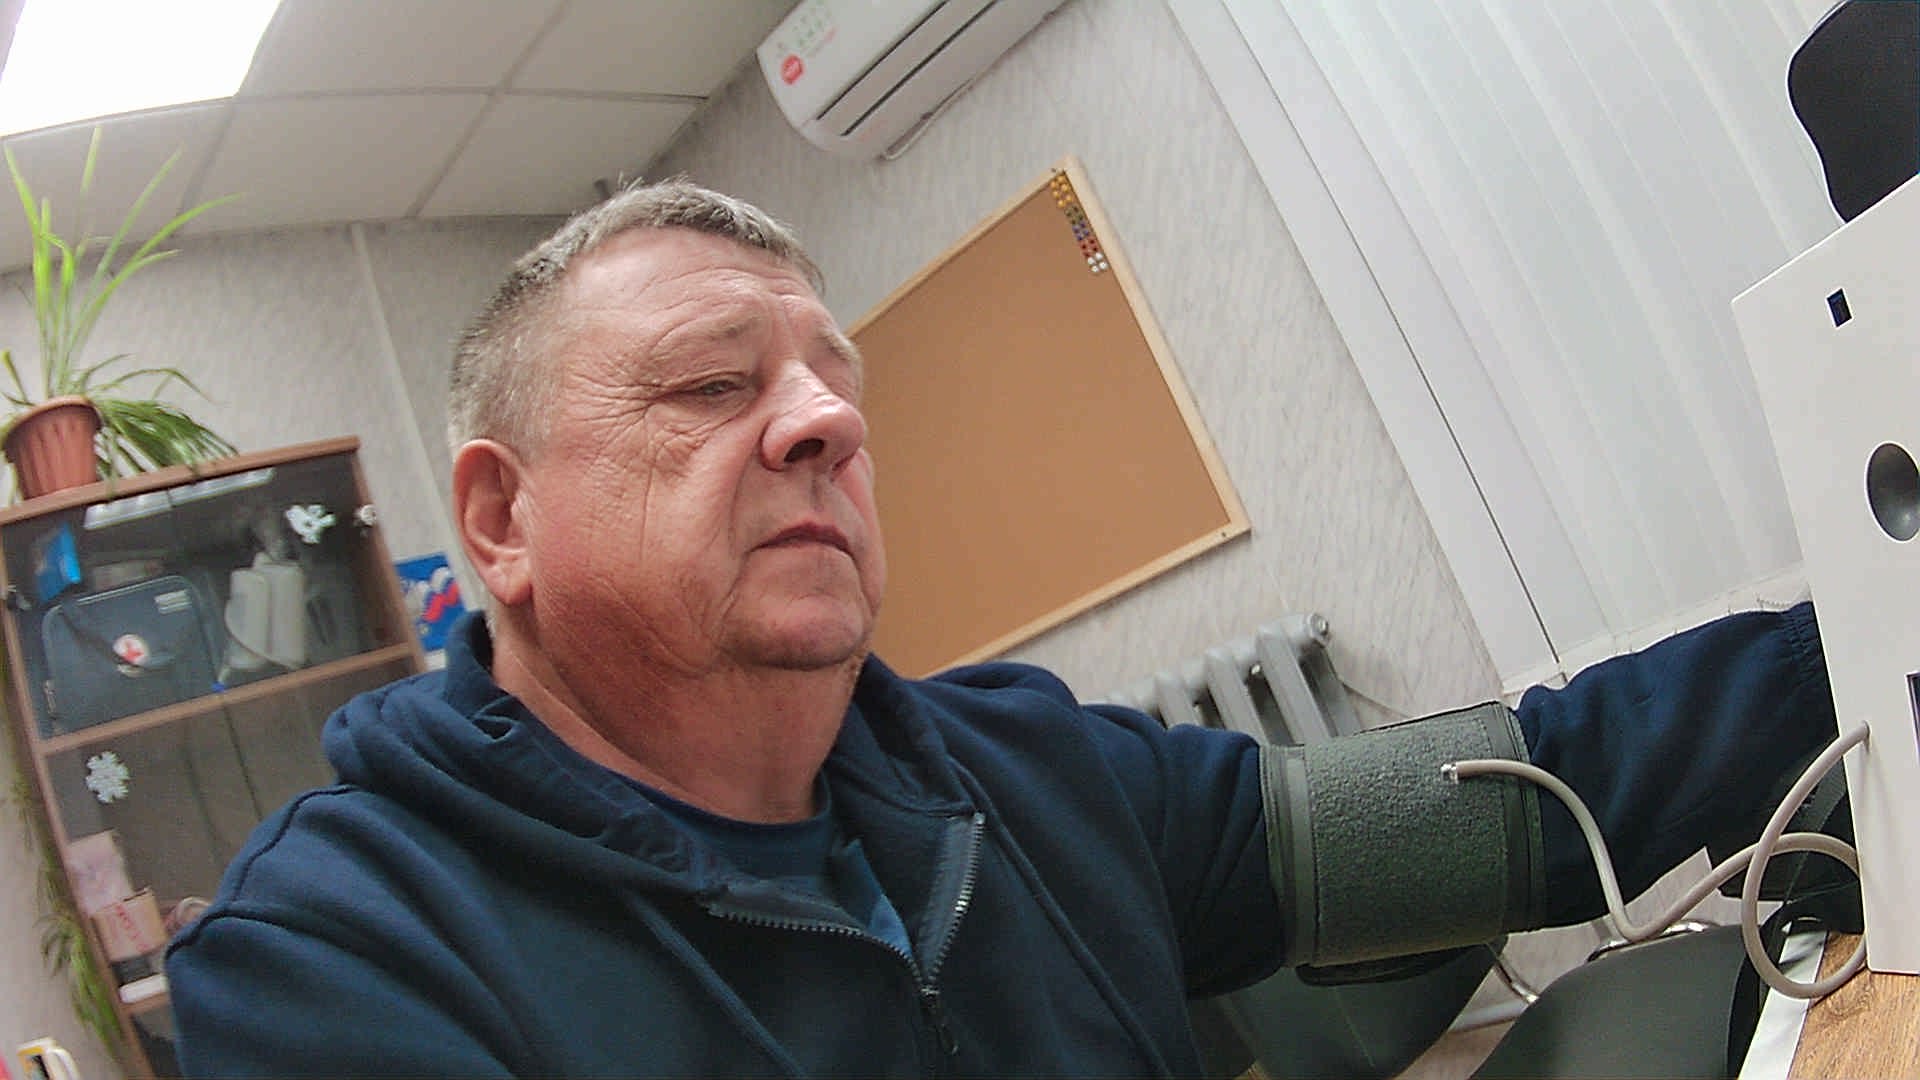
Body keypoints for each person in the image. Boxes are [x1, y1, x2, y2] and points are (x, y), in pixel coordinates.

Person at [165, 180, 1841, 1077]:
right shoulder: (335, 959)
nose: (827, 421)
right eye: (711, 385)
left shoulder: (1027, 766)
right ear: (501, 521)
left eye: (836, 383)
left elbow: (1512, 800)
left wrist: (1862, 646)